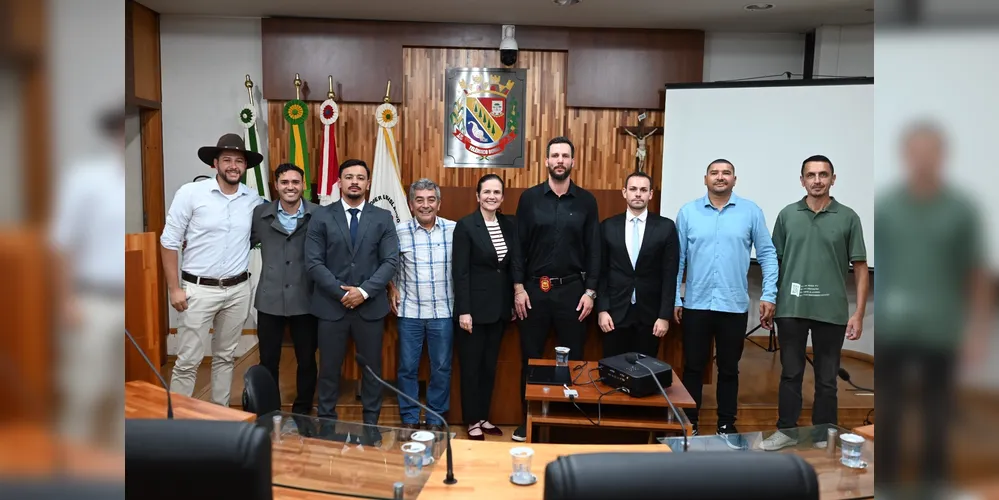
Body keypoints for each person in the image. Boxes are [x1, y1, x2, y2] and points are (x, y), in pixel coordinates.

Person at [874, 123, 991, 497]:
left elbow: (977, 274)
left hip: (942, 330)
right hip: (894, 329)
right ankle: (887, 484)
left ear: (942, 156)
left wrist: (976, 332)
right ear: (906, 156)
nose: (923, 159)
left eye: (931, 151)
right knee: (889, 411)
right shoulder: (888, 206)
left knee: (937, 414)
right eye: (916, 151)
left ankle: (933, 485)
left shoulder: (961, 209)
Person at [759, 154, 869, 451]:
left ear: (833, 179)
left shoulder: (848, 217)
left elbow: (860, 266)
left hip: (831, 312)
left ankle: (823, 434)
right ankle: (786, 431)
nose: (817, 180)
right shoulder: (787, 214)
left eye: (823, 175)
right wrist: (770, 299)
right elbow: (774, 261)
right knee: (790, 373)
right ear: (802, 180)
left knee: (827, 379)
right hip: (791, 309)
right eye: (811, 175)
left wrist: (858, 313)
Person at [674, 159, 778, 444]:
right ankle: (690, 423)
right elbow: (677, 259)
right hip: (696, 304)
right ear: (705, 178)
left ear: (735, 179)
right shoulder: (688, 212)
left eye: (726, 173)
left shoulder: (750, 212)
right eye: (715, 173)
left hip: (733, 305)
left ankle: (725, 424)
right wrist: (675, 297)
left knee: (729, 368)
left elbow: (768, 255)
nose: (720, 177)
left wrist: (769, 294)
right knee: (693, 367)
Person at [160, 133, 264, 406]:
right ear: (214, 164)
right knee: (188, 361)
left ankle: (220, 416)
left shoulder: (253, 199)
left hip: (238, 289)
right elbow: (169, 242)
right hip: (197, 290)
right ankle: (177, 421)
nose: (233, 166)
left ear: (245, 167)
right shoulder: (191, 194)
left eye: (239, 161)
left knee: (225, 357)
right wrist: (174, 288)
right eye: (227, 160)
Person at [512, 136, 600, 442]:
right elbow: (518, 247)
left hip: (573, 292)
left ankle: (568, 422)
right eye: (554, 155)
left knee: (574, 360)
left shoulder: (587, 201)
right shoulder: (530, 198)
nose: (560, 160)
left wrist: (590, 292)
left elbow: (594, 251)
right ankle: (529, 420)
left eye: (565, 156)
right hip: (534, 291)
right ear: (546, 162)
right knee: (531, 357)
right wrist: (518, 288)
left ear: (573, 162)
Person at [50, 107, 126, 448]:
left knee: (118, 396)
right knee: (84, 391)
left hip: (129, 299)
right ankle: (68, 474)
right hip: (92, 300)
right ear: (112, 135)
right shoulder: (85, 178)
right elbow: (64, 243)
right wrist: (66, 300)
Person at [306, 159, 399, 425]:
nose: (354, 182)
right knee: (329, 369)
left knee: (371, 371)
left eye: (360, 177)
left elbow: (391, 261)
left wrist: (364, 292)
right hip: (330, 306)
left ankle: (371, 424)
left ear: (368, 183)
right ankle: (326, 422)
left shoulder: (382, 217)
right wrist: (342, 293)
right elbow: (313, 262)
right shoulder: (321, 216)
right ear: (340, 182)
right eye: (349, 177)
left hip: (370, 307)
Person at [452, 174, 523, 440]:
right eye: (486, 192)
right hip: (473, 311)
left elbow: (511, 264)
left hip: (499, 310)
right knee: (471, 367)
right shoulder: (466, 226)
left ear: (503, 197)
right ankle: (471, 420)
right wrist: (464, 310)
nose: (491, 196)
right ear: (478, 196)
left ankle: (483, 416)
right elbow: (460, 272)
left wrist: (513, 301)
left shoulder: (509, 224)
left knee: (489, 367)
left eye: (496, 192)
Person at [386, 178, 456, 434]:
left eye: (431, 199)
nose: (425, 205)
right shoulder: (397, 231)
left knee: (441, 368)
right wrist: (390, 286)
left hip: (444, 312)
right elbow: (387, 265)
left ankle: (436, 419)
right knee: (407, 368)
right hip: (410, 313)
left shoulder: (454, 230)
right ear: (410, 203)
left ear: (439, 203)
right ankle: (410, 416)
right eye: (420, 200)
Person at [250, 163, 318, 415]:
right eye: (284, 182)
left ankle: (303, 411)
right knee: (268, 360)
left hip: (306, 298)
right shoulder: (259, 214)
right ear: (276, 185)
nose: (290, 187)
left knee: (307, 360)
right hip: (270, 300)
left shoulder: (319, 214)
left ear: (303, 185)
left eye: (295, 182)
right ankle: (269, 411)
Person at [597, 171, 679, 358]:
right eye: (633, 189)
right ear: (624, 192)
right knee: (614, 370)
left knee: (645, 373)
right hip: (615, 314)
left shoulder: (665, 227)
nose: (638, 194)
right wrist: (602, 309)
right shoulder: (608, 226)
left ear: (650, 194)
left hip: (650, 316)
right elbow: (601, 272)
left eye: (643, 190)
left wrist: (664, 316)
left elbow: (669, 275)